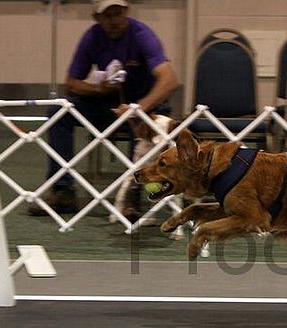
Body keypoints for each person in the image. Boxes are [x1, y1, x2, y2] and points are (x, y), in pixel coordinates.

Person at [28, 0, 178, 216]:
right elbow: (71, 83)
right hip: (107, 105)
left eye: (118, 14)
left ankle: (133, 196)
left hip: (145, 107)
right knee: (57, 113)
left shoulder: (142, 35)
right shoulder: (91, 37)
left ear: (126, 12)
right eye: (107, 16)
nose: (114, 20)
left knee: (155, 121)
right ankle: (63, 191)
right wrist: (98, 88)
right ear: (97, 18)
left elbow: (169, 80)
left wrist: (138, 109)